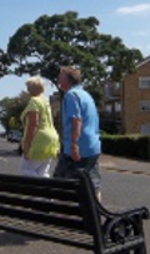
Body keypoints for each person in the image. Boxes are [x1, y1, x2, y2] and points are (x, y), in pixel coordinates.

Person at [53, 66, 102, 201]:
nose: (58, 80)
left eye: (60, 77)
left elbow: (76, 121)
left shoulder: (70, 95)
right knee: (93, 185)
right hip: (93, 147)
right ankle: (95, 217)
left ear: (68, 79)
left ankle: (57, 216)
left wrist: (74, 145)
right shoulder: (86, 95)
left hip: (76, 150)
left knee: (57, 185)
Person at [18, 76, 60, 178]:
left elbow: (33, 124)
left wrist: (26, 146)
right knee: (43, 171)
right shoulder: (45, 101)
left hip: (39, 138)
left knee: (25, 169)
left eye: (28, 87)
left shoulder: (34, 101)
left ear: (30, 89)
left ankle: (34, 189)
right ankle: (44, 191)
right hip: (51, 138)